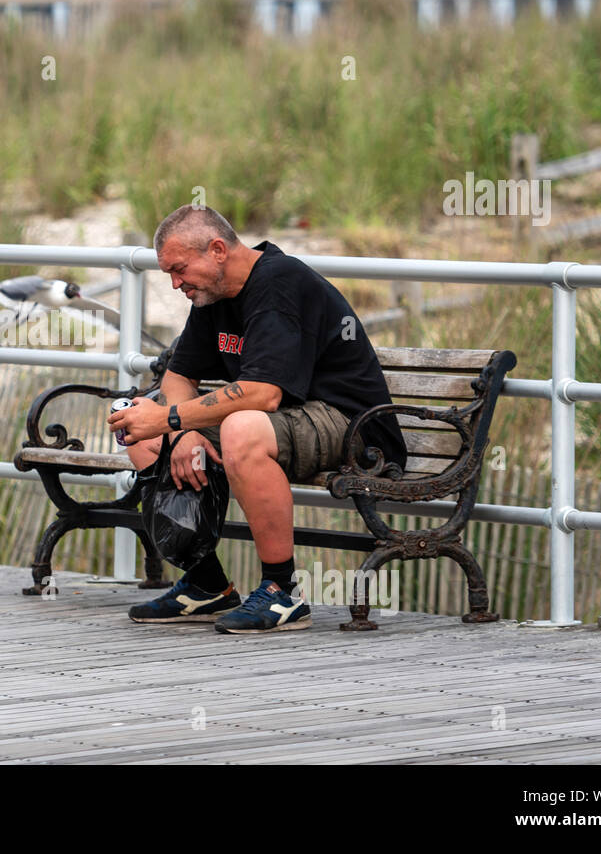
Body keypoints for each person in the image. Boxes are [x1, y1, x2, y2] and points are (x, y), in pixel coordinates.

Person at [108, 205, 407, 633]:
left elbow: (264, 395)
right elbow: (177, 375)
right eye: (168, 274)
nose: (175, 284)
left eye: (178, 269)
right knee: (138, 427)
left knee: (239, 427)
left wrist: (172, 419)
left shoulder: (278, 283)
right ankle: (207, 585)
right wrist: (181, 430)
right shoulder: (213, 292)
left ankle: (282, 593)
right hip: (286, 417)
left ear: (216, 250)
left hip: (351, 423)